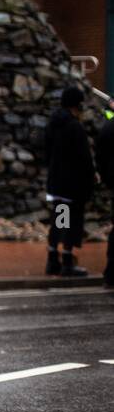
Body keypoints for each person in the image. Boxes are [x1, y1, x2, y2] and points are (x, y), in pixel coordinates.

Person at [44, 86, 95, 277]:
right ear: (77, 105)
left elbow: (46, 153)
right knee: (70, 223)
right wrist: (91, 178)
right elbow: (84, 159)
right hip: (71, 187)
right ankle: (67, 261)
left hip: (56, 183)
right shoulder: (75, 127)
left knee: (58, 221)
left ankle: (52, 259)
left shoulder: (53, 124)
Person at [95, 103, 114, 289]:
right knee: (65, 218)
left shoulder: (108, 127)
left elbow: (99, 155)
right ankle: (64, 257)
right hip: (65, 189)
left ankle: (110, 272)